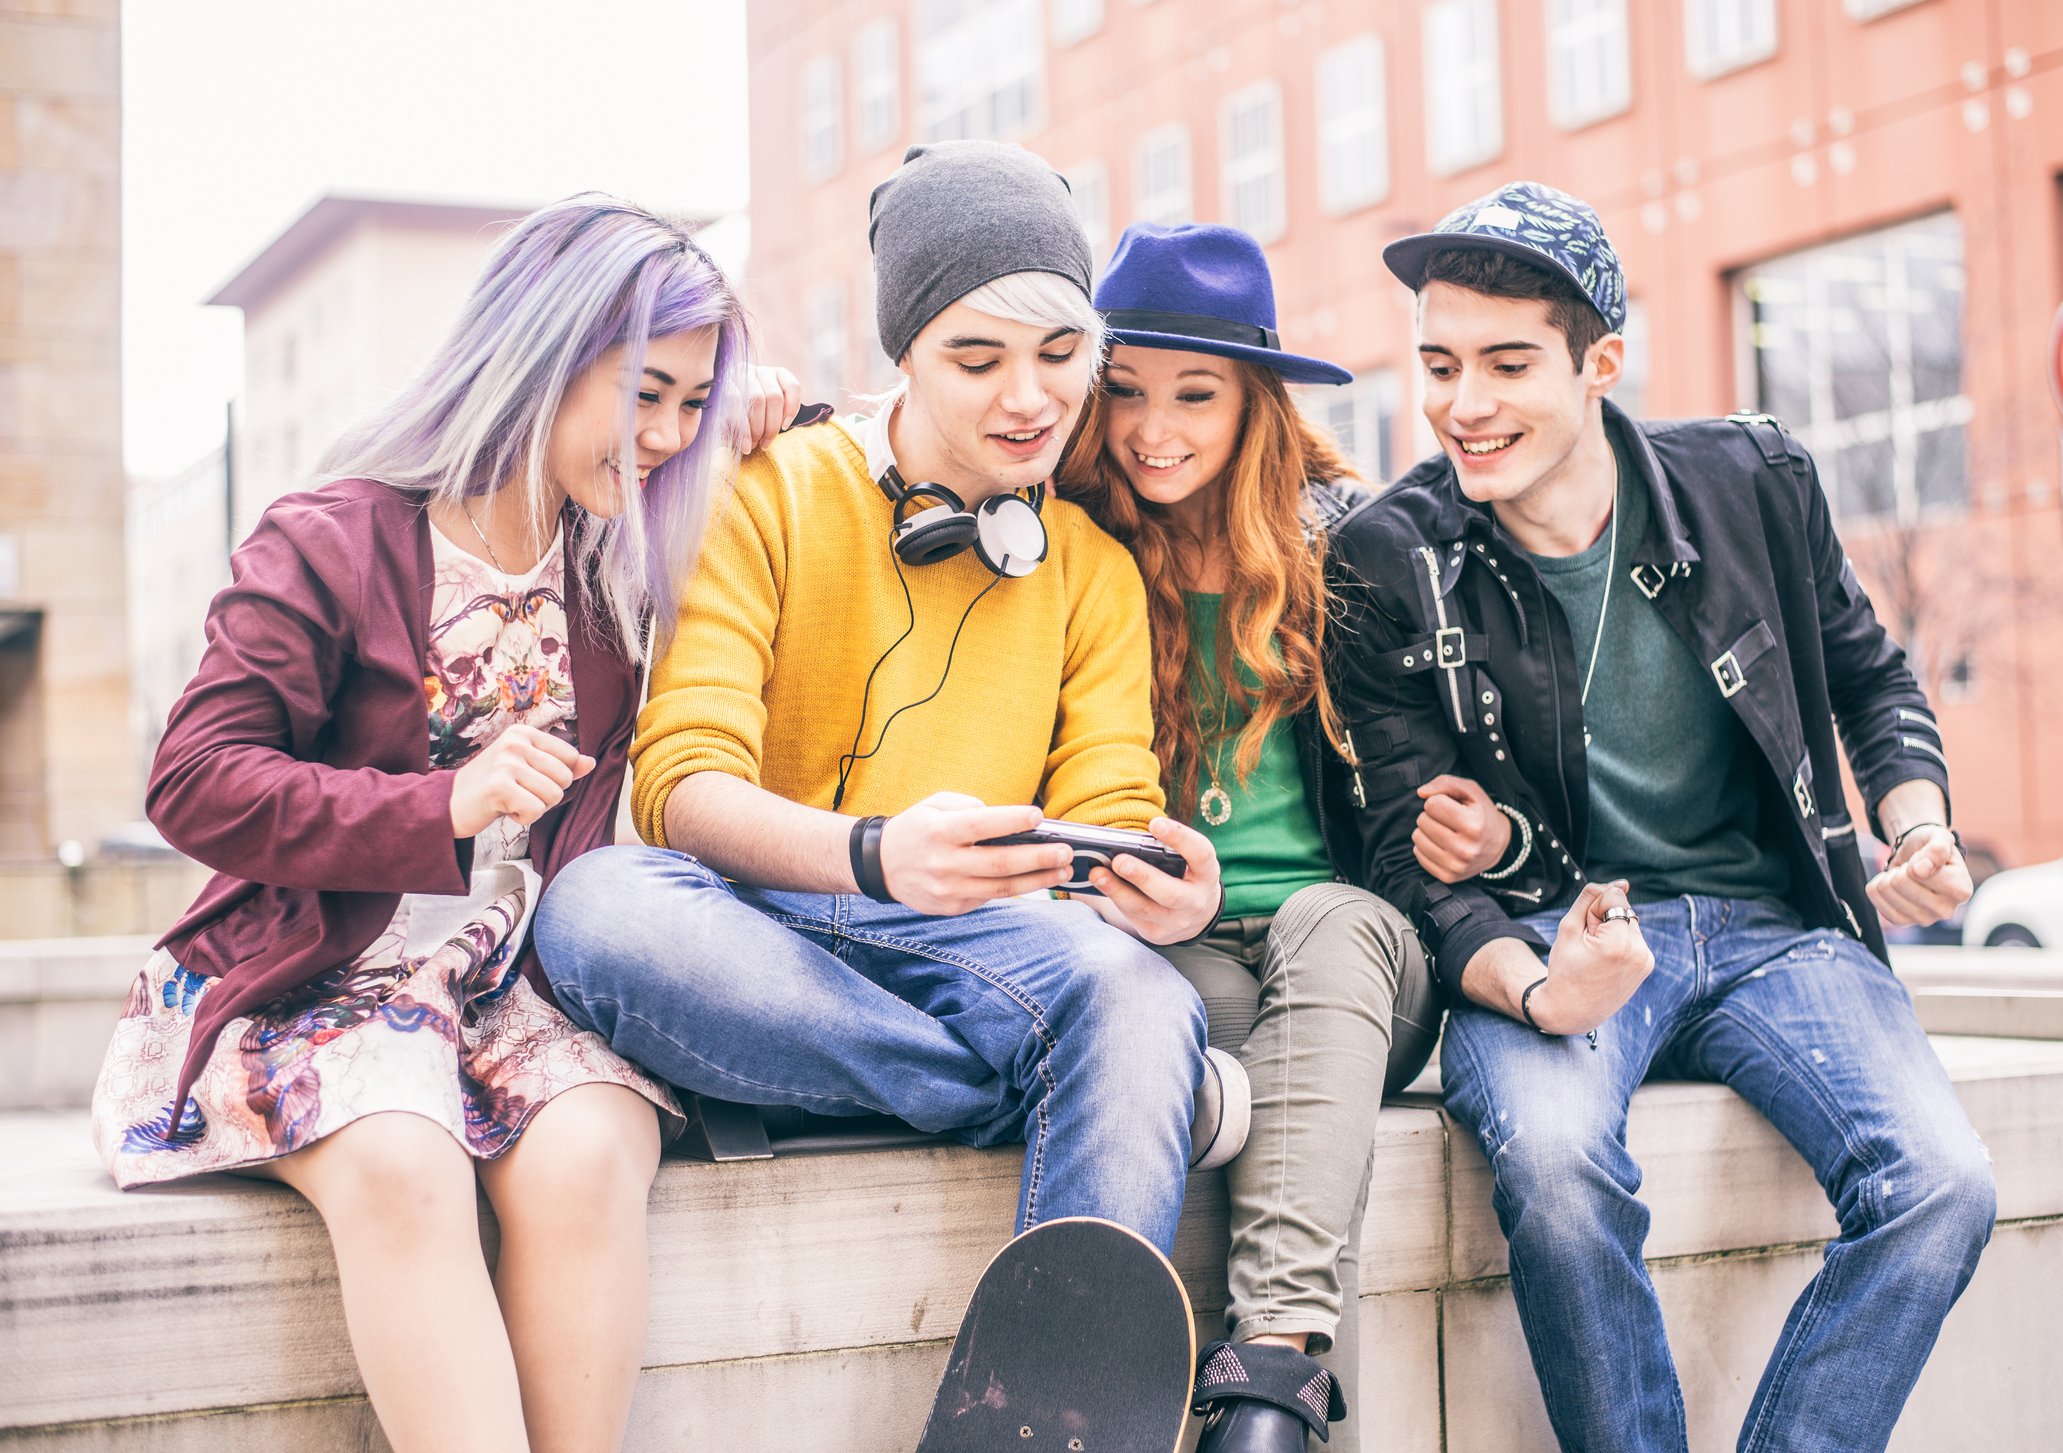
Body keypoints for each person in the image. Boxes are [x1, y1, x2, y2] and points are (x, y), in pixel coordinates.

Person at [90, 196, 787, 1453]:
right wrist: (444, 804)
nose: (668, 435)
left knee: (591, 1152)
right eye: (644, 392)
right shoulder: (332, 536)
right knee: (403, 1159)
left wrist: (769, 416)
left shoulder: (617, 558)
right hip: (313, 977)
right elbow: (193, 777)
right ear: (540, 350)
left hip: (514, 984)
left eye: (692, 401)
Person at [1332, 180, 1995, 1453]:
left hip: (1770, 930)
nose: (1462, 404)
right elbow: (1404, 859)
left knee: (1942, 1182)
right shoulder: (1387, 559)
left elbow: (1868, 676)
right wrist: (1536, 987)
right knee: (1554, 1172)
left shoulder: (1752, 483)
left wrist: (1915, 824)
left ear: (1600, 364)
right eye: (1438, 364)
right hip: (1551, 935)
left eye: (1507, 364)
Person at [536, 141, 1232, 1262]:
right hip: (764, 919)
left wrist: (1153, 887)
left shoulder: (1094, 570)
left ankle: (1062, 1370)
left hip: (982, 938)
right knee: (596, 908)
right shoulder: (766, 489)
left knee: (1136, 990)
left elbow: (1103, 808)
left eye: (1060, 354)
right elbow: (680, 785)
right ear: (904, 352)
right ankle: (1030, 1088)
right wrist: (872, 855)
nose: (1028, 398)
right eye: (975, 358)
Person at [1059, 221, 1441, 1453]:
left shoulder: (1353, 550)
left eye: (1194, 394)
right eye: (1123, 390)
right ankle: (1270, 1395)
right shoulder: (1068, 545)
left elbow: (1407, 801)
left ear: (1252, 404)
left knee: (1326, 927)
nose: (1150, 428)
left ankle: (1266, 1375)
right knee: (1288, 1107)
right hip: (1182, 956)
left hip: (1359, 952)